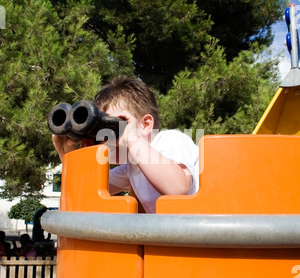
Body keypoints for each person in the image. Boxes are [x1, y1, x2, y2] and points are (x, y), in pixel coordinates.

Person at [53, 75, 199, 213]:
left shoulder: (169, 139)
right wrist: (66, 155)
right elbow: (86, 190)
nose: (106, 138)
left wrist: (131, 138)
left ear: (145, 125)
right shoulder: (131, 167)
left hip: (206, 233)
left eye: (114, 125)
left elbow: (178, 187)